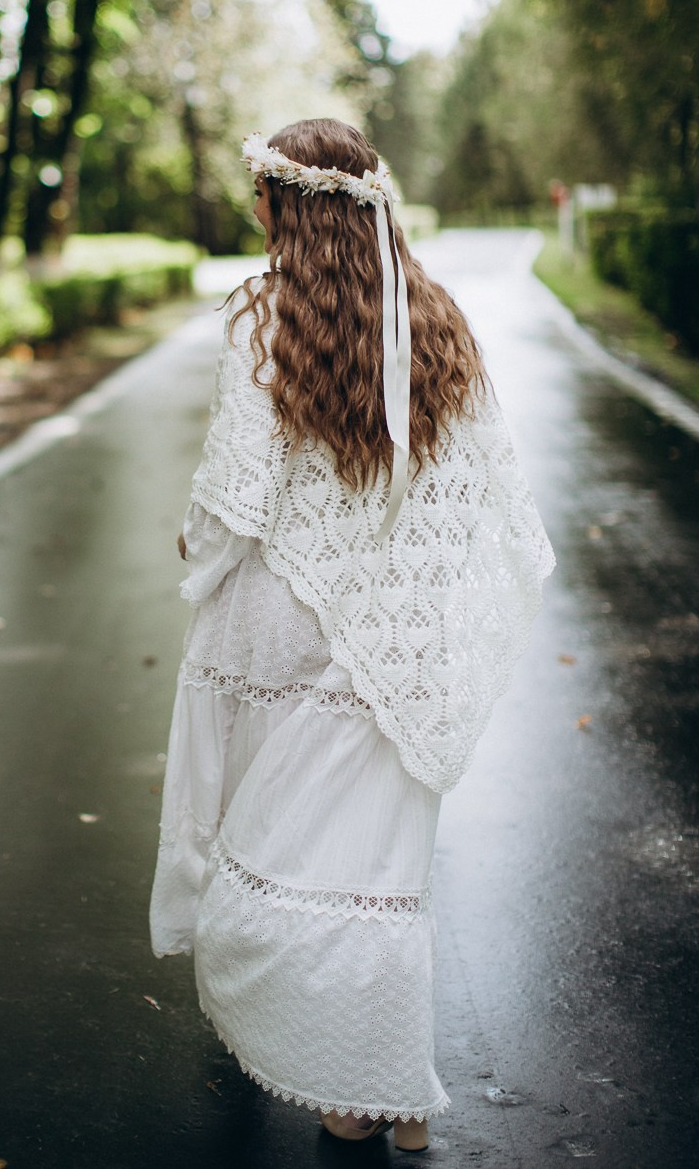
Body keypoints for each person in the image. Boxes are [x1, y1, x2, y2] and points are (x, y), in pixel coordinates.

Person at [149, 118, 555, 1151]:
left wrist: (192, 543)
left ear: (285, 207)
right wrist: (422, 599)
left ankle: (344, 1073)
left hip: (285, 621)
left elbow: (241, 500)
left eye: (260, 195)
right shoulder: (437, 316)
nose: (253, 211)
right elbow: (480, 485)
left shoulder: (262, 318)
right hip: (397, 635)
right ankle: (388, 1098)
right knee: (381, 871)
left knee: (270, 852)